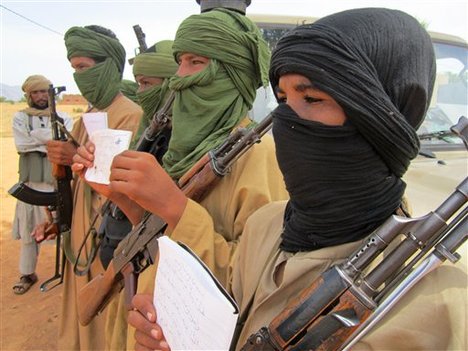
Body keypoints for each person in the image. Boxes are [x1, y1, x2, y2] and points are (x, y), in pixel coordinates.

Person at [127, 8, 466, 351]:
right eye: (283, 99)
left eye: (312, 99)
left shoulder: (435, 304)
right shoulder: (266, 228)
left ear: (381, 116)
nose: (286, 119)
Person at [71, 8, 288, 351]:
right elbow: (158, 235)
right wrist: (120, 196)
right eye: (179, 62)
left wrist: (175, 206)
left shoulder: (260, 156)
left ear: (231, 72)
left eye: (195, 62)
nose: (178, 78)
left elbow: (259, 283)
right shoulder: (186, 150)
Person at [36, 25, 143, 350]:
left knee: (103, 325)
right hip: (79, 237)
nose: (79, 76)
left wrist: (74, 160)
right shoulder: (89, 117)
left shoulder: (129, 116)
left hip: (105, 239)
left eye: (83, 67)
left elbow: (122, 192)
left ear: (108, 65)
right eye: (74, 69)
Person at [102, 39, 178, 351]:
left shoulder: (181, 140)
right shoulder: (149, 128)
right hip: (124, 243)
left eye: (148, 83)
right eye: (138, 84)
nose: (142, 92)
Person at [11, 74, 73, 295]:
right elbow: (22, 144)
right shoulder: (20, 118)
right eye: (35, 92)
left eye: (43, 92)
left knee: (66, 230)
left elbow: (67, 142)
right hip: (30, 184)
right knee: (29, 233)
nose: (40, 96)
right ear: (29, 95)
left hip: (57, 184)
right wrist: (49, 140)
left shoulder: (63, 116)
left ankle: (69, 275)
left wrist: (37, 138)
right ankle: (27, 273)